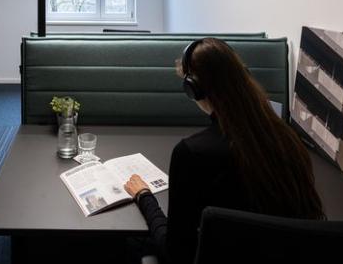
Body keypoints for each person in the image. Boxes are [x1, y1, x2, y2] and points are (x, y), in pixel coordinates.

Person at [123, 37, 324, 264]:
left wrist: (144, 196)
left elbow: (176, 252)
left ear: (194, 89)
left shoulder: (191, 154)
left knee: (133, 242)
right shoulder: (287, 139)